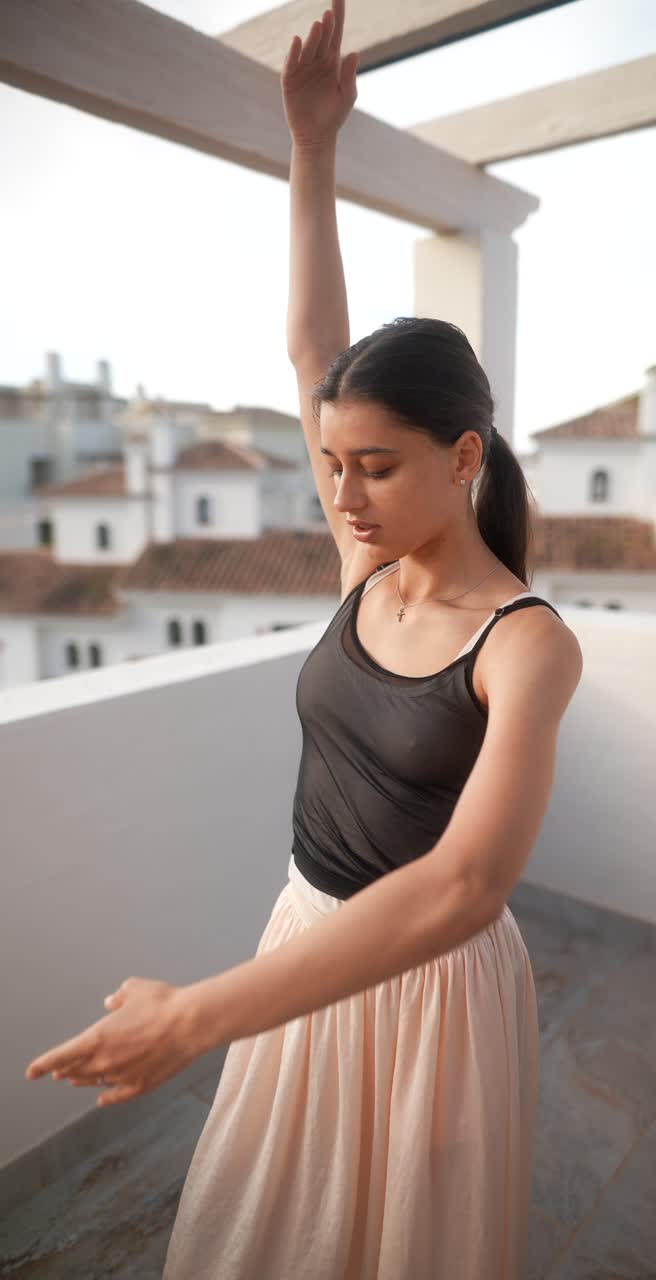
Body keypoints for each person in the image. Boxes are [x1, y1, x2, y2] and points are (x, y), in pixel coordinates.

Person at [24, 3, 582, 1276]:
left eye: (375, 467)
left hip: (429, 987)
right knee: (261, 1225)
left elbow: (462, 888)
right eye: (331, 462)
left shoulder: (525, 643)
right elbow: (313, 348)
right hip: (305, 934)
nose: (341, 493)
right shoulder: (361, 561)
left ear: (463, 454)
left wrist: (197, 1014)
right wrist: (313, 149)